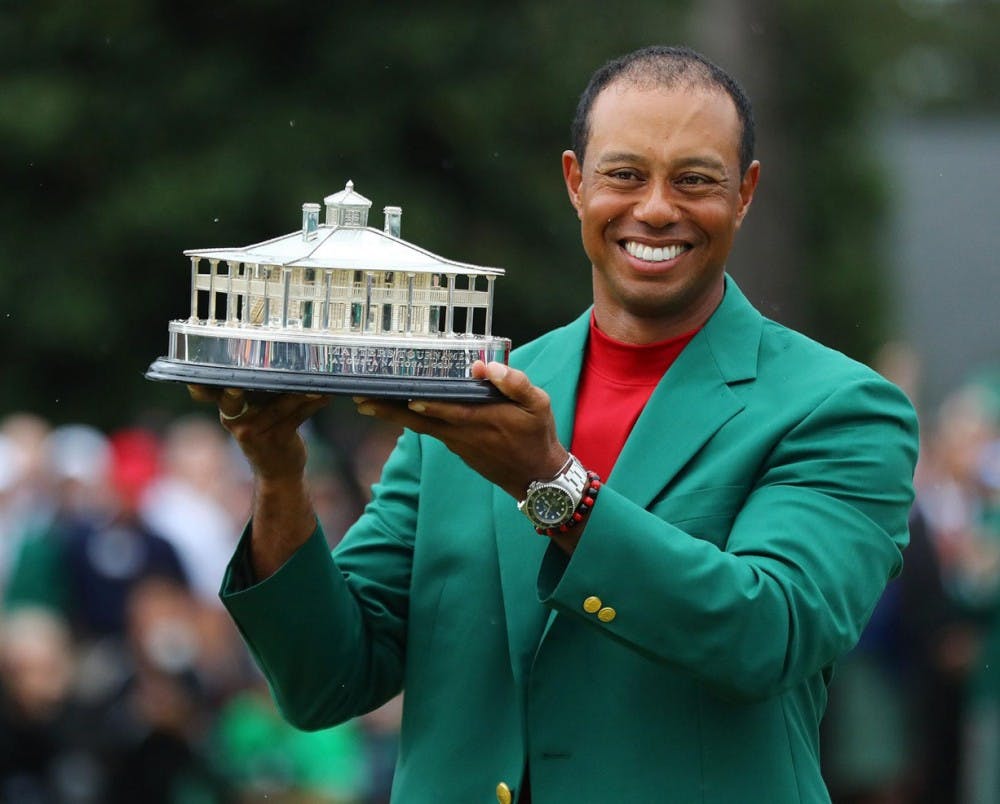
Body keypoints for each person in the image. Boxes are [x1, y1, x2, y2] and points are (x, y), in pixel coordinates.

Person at [191, 45, 919, 803]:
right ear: (576, 182)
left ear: (746, 194)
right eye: (625, 174)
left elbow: (768, 635)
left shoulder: (840, 408)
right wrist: (277, 471)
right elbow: (325, 682)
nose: (657, 208)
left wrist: (551, 483)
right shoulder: (467, 394)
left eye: (695, 180)